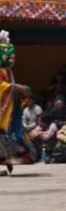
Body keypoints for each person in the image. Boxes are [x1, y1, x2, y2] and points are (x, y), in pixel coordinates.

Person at [0, 31, 38, 176]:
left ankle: (6, 162)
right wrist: (18, 88)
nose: (12, 58)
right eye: (10, 55)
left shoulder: (7, 71)